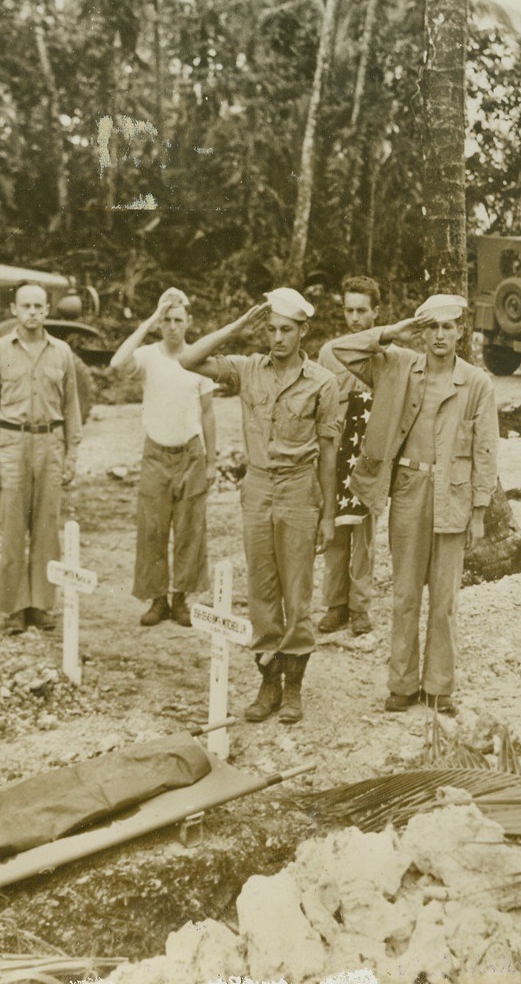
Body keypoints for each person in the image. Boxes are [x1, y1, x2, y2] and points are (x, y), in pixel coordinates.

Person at [327, 294, 498, 716]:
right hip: (407, 487)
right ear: (420, 331)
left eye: (448, 326)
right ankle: (402, 684)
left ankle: (439, 687)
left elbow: (486, 449)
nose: (439, 336)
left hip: (453, 494)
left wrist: (478, 511)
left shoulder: (476, 383)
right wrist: (390, 332)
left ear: (461, 330)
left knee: (445, 598)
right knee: (404, 594)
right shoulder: (398, 364)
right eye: (431, 327)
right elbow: (337, 350)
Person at [180, 288, 339, 724]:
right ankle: (268, 682)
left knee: (297, 591)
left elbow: (329, 451)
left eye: (286, 330)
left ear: (303, 331)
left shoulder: (323, 382)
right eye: (270, 329)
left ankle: (293, 689)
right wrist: (234, 328)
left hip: (299, 490)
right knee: (261, 591)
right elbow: (188, 360)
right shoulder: (249, 369)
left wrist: (327, 514)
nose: (277, 338)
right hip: (258, 487)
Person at [0, 281, 82, 635]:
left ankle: (41, 604)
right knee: (12, 529)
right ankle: (14, 608)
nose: (33, 312)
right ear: (14, 310)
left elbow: (72, 408)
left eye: (39, 306)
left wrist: (71, 454)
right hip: (11, 443)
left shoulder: (62, 353)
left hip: (50, 444)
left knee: (47, 528)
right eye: (26, 306)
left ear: (47, 311)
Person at [110, 287, 215, 628]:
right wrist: (149, 320)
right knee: (153, 528)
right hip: (156, 452)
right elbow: (116, 364)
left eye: (177, 320)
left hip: (191, 453)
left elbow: (209, 413)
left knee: (189, 528)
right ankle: (157, 600)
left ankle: (181, 599)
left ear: (189, 323)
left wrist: (212, 462)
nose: (171, 326)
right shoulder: (148, 356)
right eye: (166, 320)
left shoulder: (199, 359)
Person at [317, 275, 381, 637]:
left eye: (362, 310)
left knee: (364, 532)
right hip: (336, 448)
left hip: (369, 450)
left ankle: (360, 606)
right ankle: (335, 604)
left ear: (376, 312)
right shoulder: (330, 352)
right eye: (349, 310)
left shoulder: (384, 352)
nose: (354, 318)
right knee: (334, 527)